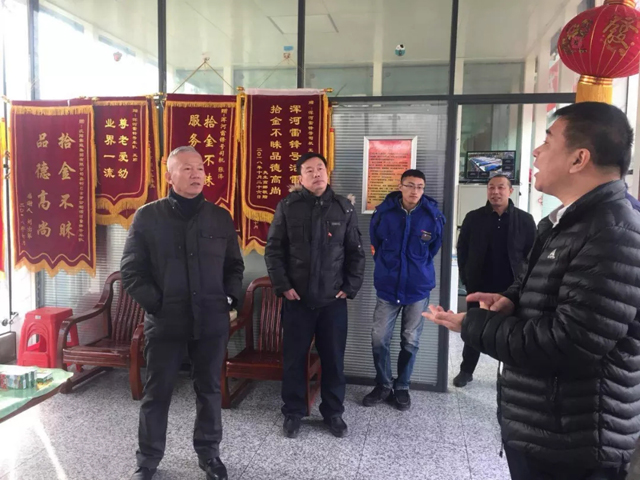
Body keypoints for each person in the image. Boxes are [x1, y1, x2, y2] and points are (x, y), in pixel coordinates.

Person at [424, 102, 640, 480]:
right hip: (545, 425)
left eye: (548, 141)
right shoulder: (564, 222)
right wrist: (512, 301)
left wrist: (470, 325)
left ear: (579, 159)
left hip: (574, 443)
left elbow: (568, 342)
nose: (537, 152)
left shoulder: (613, 232)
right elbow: (540, 288)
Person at [122, 146, 244, 480]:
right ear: (169, 176)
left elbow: (234, 266)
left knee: (209, 390)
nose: (196, 174)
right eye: (187, 168)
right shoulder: (148, 217)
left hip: (211, 320)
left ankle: (210, 455)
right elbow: (131, 271)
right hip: (166, 323)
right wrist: (158, 305)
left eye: (200, 168)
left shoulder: (219, 217)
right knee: (157, 393)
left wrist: (228, 300)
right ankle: (148, 460)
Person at [265, 152, 365, 439]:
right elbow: (274, 250)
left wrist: (350, 286)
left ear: (327, 172)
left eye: (320, 168)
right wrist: (283, 285)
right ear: (301, 177)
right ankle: (293, 412)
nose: (316, 173)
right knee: (294, 359)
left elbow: (356, 253)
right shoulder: (288, 207)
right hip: (297, 300)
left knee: (333, 359)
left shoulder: (343, 208)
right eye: (309, 170)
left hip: (333, 302)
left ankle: (333, 413)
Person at [362, 169, 445, 410]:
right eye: (410, 185)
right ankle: (384, 384)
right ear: (400, 187)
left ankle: (402, 387)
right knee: (379, 338)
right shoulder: (383, 213)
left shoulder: (433, 216)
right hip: (388, 287)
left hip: (417, 289)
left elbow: (433, 249)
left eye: (420, 187)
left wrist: (414, 268)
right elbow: (375, 245)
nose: (415, 191)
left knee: (410, 340)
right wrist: (388, 268)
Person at [453, 174, 536, 388]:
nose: (495, 192)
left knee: (509, 332)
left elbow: (533, 255)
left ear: (510, 191)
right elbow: (462, 250)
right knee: (473, 329)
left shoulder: (524, 220)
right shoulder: (473, 218)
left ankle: (506, 375)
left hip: (511, 288)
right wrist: (466, 277)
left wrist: (525, 283)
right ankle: (466, 370)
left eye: (500, 187)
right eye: (491, 187)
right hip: (479, 286)